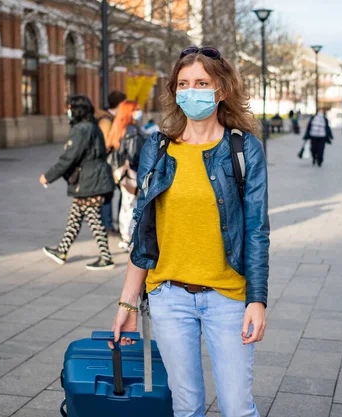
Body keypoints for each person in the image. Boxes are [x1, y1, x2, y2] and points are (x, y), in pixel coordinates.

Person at [110, 46, 269, 417]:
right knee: (186, 407)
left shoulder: (244, 149)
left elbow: (257, 229)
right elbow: (143, 230)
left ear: (222, 90)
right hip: (168, 297)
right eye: (183, 83)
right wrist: (127, 302)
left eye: (201, 82)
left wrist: (257, 300)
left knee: (236, 408)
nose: (191, 91)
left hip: (228, 297)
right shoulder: (158, 147)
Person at [40, 95, 115, 271]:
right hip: (92, 179)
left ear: (77, 110)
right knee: (75, 217)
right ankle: (62, 251)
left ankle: (106, 257)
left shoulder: (81, 129)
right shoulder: (91, 126)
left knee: (93, 218)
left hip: (90, 181)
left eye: (69, 108)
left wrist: (48, 176)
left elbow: (69, 157)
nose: (68, 112)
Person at [108, 100, 147, 251]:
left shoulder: (121, 127)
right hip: (132, 172)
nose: (139, 111)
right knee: (132, 204)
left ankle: (125, 236)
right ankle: (129, 237)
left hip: (122, 173)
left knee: (126, 203)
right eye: (136, 109)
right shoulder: (132, 130)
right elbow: (134, 155)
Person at [97, 91, 127, 235]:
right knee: (108, 193)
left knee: (122, 192)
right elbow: (104, 144)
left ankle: (120, 222)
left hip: (116, 161)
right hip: (109, 162)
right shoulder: (106, 120)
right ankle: (107, 225)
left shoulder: (115, 118)